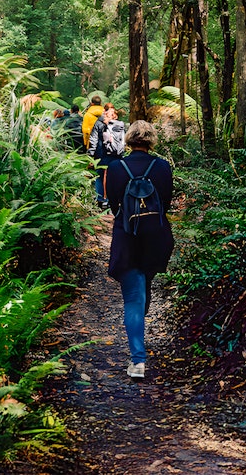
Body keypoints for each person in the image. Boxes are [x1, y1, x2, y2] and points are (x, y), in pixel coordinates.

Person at [104, 120, 174, 379]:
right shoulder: (163, 167)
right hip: (156, 236)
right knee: (144, 285)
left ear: (129, 140)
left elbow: (113, 205)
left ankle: (138, 362)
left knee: (134, 297)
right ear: (151, 140)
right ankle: (139, 338)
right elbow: (166, 203)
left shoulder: (115, 167)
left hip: (127, 236)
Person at [88, 107, 125, 206]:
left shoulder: (99, 124)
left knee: (100, 176)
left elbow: (93, 141)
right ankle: (114, 199)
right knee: (113, 177)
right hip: (117, 155)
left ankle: (101, 199)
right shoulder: (121, 125)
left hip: (102, 155)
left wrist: (90, 156)